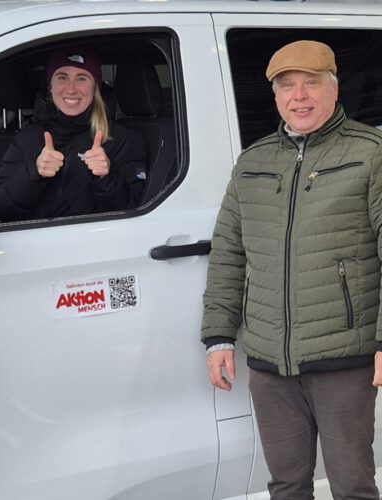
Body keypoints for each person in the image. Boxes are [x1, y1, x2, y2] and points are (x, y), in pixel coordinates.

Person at [201, 40, 382, 500]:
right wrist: (218, 336)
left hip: (343, 356)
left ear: (333, 89)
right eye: (287, 86)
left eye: (311, 83)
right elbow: (228, 253)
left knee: (352, 486)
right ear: (275, 95)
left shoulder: (371, 153)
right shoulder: (254, 162)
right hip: (269, 363)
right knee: (286, 486)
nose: (299, 96)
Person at [0, 47, 147, 222]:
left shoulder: (122, 139)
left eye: (81, 78)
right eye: (62, 77)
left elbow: (136, 217)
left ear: (95, 88)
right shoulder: (30, 136)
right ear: (50, 86)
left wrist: (106, 177)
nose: (71, 89)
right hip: (32, 238)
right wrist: (33, 172)